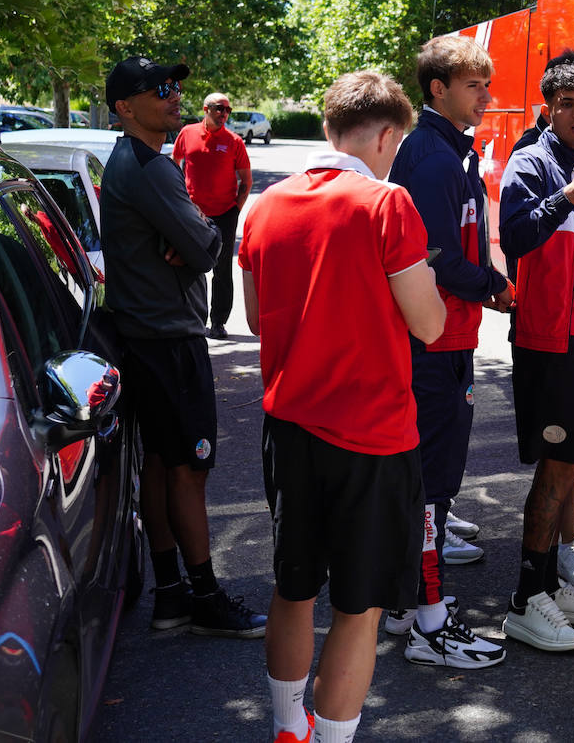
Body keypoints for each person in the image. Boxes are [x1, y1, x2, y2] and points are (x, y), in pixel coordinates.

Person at [239, 70, 446, 743]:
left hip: (289, 426)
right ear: (385, 136)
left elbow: (254, 319)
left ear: (328, 126)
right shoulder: (387, 204)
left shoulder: (263, 207)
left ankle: (286, 727)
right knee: (359, 608)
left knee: (293, 587)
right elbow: (430, 324)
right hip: (372, 435)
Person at [100, 56, 265, 639]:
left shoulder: (137, 161)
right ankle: (203, 596)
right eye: (157, 90)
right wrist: (191, 233)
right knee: (188, 470)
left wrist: (190, 234)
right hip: (167, 341)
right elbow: (206, 248)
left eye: (174, 88)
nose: (173, 97)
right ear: (125, 107)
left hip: (149, 338)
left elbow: (198, 241)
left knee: (162, 464)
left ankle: (170, 593)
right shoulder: (147, 167)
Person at [385, 35, 513, 669]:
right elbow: (434, 260)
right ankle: (430, 626)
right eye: (473, 86)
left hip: (444, 338)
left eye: (485, 85)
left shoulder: (448, 151)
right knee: (433, 488)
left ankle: (410, 604)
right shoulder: (434, 159)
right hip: (435, 343)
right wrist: (495, 287)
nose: (486, 97)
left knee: (428, 486)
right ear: (437, 89)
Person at [498, 60, 574, 651]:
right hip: (546, 339)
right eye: (566, 102)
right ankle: (525, 598)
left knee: (570, 464)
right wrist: (570, 196)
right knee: (558, 467)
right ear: (548, 107)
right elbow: (514, 238)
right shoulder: (532, 162)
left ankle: (546, 580)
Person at [171, 91, 252, 339]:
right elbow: (175, 164)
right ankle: (191, 319)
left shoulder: (234, 141)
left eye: (227, 110)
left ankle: (218, 322)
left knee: (222, 270)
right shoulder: (187, 133)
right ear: (205, 109)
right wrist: (179, 200)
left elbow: (246, 182)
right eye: (219, 108)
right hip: (191, 213)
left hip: (224, 214)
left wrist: (235, 210)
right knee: (188, 266)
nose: (223, 114)